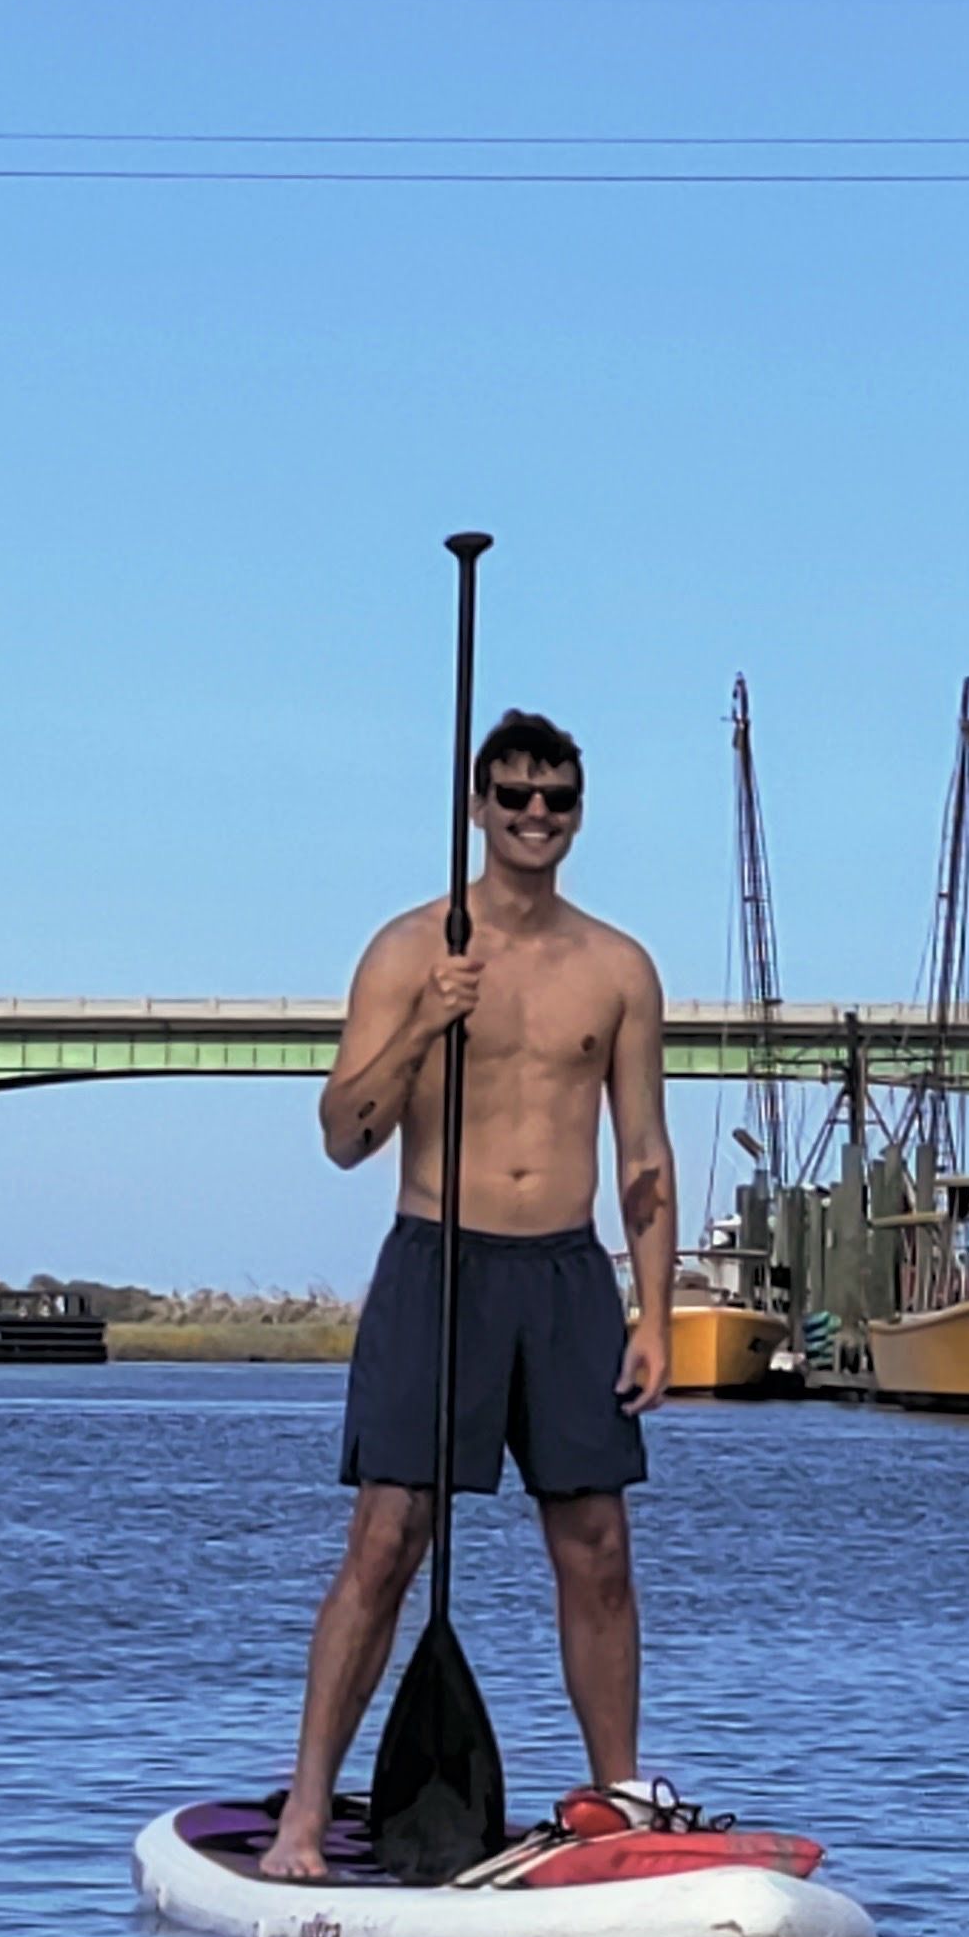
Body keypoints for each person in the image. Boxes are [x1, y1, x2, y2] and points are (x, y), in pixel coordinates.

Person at [270, 708, 676, 1878]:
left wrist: (655, 1313)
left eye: (554, 800)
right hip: (436, 1259)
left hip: (565, 1273)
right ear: (478, 807)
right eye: (513, 799)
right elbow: (344, 1134)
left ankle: (618, 1804)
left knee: (596, 1545)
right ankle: (306, 1810)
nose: (534, 818)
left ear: (578, 812)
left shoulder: (618, 968)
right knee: (388, 1539)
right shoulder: (410, 950)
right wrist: (423, 1023)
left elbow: (644, 1152)